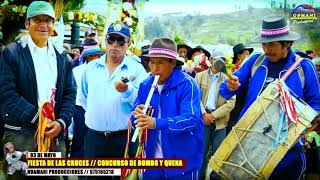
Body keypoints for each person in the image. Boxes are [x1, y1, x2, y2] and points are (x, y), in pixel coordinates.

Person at [220, 16, 320, 179]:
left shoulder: (304, 67)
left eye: (272, 44)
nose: (267, 49)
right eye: (264, 44)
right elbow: (225, 89)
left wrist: (306, 124)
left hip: (287, 151)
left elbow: (316, 104)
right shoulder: (255, 61)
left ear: (286, 43)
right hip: (249, 146)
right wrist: (231, 86)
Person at [0, 0, 76, 166]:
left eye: (47, 20)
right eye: (37, 19)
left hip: (53, 137)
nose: (43, 25)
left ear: (53, 25)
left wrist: (61, 122)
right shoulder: (13, 52)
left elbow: (70, 94)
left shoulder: (62, 56)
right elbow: (7, 94)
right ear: (27, 23)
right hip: (21, 135)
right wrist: (38, 119)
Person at [79, 21, 147, 171]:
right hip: (94, 138)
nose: (115, 44)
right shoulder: (90, 68)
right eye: (111, 39)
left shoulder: (137, 70)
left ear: (128, 44)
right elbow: (84, 98)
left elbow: (142, 102)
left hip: (123, 139)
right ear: (105, 41)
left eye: (121, 41)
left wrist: (126, 91)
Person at [133, 38, 203, 179]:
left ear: (172, 63)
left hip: (182, 159)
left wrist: (156, 123)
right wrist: (136, 114)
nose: (154, 68)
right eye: (151, 62)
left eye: (160, 63)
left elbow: (192, 119)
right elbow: (135, 112)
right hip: (152, 160)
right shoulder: (145, 85)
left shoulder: (187, 84)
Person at [195, 57, 235, 180]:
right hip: (203, 119)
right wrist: (203, 114)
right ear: (211, 60)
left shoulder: (229, 79)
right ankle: (199, 177)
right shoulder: (199, 76)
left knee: (219, 155)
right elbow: (195, 97)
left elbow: (231, 102)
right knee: (201, 153)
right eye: (217, 59)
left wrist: (213, 115)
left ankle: (214, 178)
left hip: (220, 122)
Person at [71, 47, 104, 158]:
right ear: (88, 57)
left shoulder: (102, 70)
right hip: (80, 107)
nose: (99, 58)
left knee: (93, 137)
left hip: (96, 108)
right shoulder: (77, 70)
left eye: (100, 56)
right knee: (79, 136)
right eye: (97, 56)